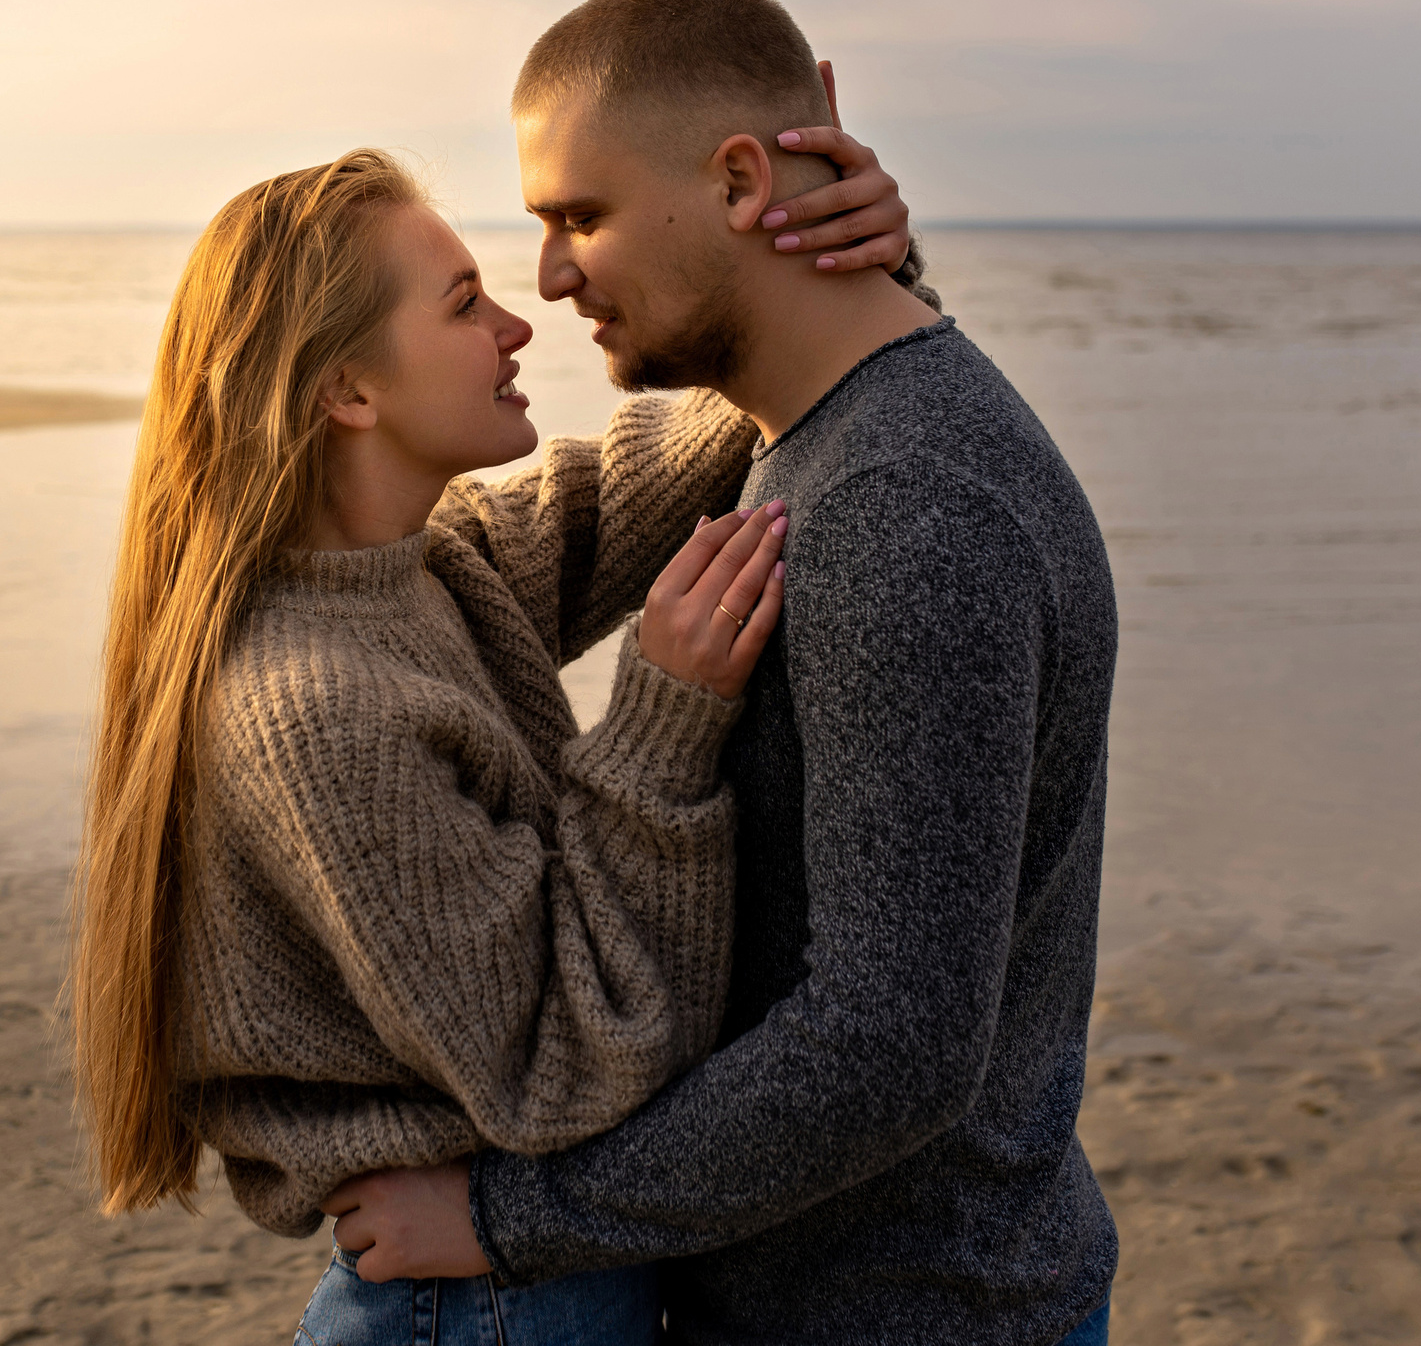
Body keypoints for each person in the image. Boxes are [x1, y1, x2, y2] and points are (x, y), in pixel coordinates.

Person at [320, 0, 1121, 1346]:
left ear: (743, 180)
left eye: (582, 217)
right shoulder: (809, 443)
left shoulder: (901, 507)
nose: (552, 278)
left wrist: (512, 1224)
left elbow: (890, 1050)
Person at [71, 142, 925, 1344]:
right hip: (479, 1308)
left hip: (515, 1286)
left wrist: (839, 261)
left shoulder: (429, 567)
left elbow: (650, 470)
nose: (519, 326)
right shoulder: (314, 708)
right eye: (466, 303)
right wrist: (663, 719)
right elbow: (565, 1068)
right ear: (346, 392)